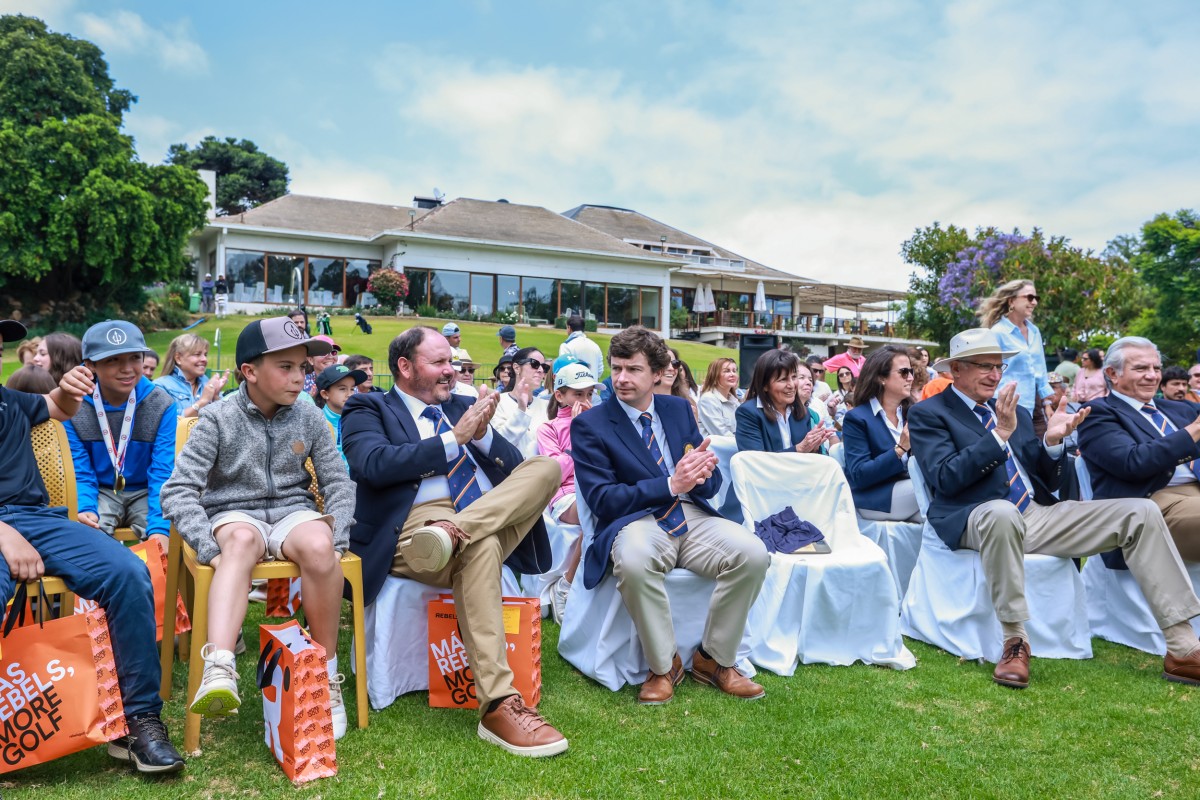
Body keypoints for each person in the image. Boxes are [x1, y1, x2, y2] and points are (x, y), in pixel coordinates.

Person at [910, 328, 1200, 688]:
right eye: (985, 366)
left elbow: (1044, 477)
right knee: (1001, 512)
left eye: (999, 366)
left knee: (1140, 511)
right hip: (974, 516)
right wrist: (998, 435)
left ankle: (1182, 647)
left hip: (1035, 514)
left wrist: (1051, 441)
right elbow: (946, 478)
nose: (995, 375)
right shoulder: (929, 413)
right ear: (955, 369)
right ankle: (1014, 642)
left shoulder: (1011, 410)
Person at [340, 326, 566, 756]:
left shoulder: (464, 405)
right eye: (440, 362)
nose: (452, 370)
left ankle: (457, 530)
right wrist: (453, 439)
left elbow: (514, 469)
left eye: (452, 361)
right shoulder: (368, 406)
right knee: (481, 546)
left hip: (475, 515)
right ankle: (499, 703)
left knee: (546, 468)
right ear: (405, 367)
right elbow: (372, 464)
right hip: (412, 528)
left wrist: (482, 435)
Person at [0, 317, 185, 773]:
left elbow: (57, 407)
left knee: (128, 573)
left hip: (37, 518)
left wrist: (69, 390)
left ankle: (138, 722)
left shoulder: (8, 399)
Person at [162, 317, 355, 738]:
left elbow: (338, 482)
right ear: (249, 371)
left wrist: (337, 538)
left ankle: (324, 673)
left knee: (319, 544)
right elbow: (177, 490)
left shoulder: (309, 415)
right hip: (233, 513)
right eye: (285, 367)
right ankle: (220, 666)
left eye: (303, 367)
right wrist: (208, 547)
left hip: (292, 512)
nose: (299, 377)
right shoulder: (216, 417)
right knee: (241, 540)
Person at [572, 326, 769, 705]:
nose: (621, 378)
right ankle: (664, 667)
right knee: (633, 561)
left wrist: (704, 474)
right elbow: (603, 500)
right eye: (616, 368)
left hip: (691, 514)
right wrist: (670, 484)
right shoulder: (590, 425)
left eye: (633, 369)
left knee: (754, 553)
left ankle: (715, 659)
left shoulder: (678, 410)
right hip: (635, 520)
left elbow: (706, 485)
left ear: (658, 374)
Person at [1077, 337, 1200, 563]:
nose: (1152, 376)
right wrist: (1193, 431)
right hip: (1152, 502)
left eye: (1156, 368)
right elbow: (1133, 462)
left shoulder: (1181, 409)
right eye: (1141, 368)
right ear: (1112, 374)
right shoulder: (1097, 413)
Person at [65, 321, 178, 541]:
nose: (127, 368)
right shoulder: (73, 406)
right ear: (90, 365)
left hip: (147, 490)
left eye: (135, 357)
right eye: (113, 360)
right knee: (88, 536)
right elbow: (80, 470)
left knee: (167, 538)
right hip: (100, 490)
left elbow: (163, 472)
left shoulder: (161, 404)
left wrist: (160, 529)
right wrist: (86, 507)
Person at [536, 362, 599, 622]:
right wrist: (579, 432)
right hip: (566, 497)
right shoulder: (548, 428)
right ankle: (566, 585)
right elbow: (556, 472)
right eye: (578, 394)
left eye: (589, 394)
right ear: (560, 396)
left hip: (596, 489)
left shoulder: (599, 423)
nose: (585, 400)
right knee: (598, 512)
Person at [842, 346, 920, 522]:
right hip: (875, 497)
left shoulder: (913, 413)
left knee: (940, 518)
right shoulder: (857, 418)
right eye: (904, 372)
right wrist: (900, 449)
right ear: (881, 378)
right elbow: (860, 475)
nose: (910, 377)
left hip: (909, 491)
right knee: (932, 488)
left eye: (911, 372)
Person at [980, 280, 1054, 436]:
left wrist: (1047, 402)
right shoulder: (998, 332)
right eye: (1029, 297)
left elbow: (1040, 370)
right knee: (1015, 448)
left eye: (1036, 298)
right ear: (1011, 301)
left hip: (1034, 404)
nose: (1034, 302)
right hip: (1007, 404)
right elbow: (987, 369)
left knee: (1040, 445)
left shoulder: (1034, 331)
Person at [736, 351, 837, 455]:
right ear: (765, 385)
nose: (792, 385)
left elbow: (808, 456)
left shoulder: (802, 412)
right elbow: (754, 459)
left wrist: (813, 448)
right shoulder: (748, 412)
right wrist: (798, 449)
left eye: (794, 377)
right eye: (783, 379)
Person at [491, 346, 552, 456]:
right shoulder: (498, 402)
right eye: (534, 364)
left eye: (544, 367)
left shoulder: (547, 406)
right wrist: (521, 409)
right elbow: (500, 445)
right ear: (517, 368)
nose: (541, 370)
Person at [155, 333, 230, 418]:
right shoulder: (161, 386)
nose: (204, 359)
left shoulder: (208, 384)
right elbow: (167, 419)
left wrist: (215, 396)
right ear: (178, 358)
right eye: (197, 354)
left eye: (205, 354)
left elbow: (225, 419)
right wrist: (203, 401)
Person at [314, 363, 369, 470]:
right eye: (342, 389)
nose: (349, 394)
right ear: (325, 394)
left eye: (352, 389)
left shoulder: (361, 420)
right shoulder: (317, 423)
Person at [697, 357, 740, 437]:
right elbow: (721, 434)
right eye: (727, 371)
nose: (732, 374)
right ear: (715, 375)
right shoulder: (708, 399)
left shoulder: (734, 401)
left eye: (734, 371)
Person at [559, 315, 604, 381]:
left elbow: (563, 370)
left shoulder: (566, 346)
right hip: (592, 385)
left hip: (573, 386)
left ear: (569, 328)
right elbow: (600, 370)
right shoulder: (595, 346)